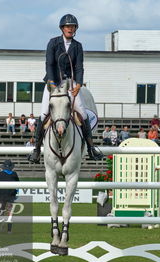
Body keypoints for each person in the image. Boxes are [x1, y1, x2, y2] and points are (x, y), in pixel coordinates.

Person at [28, 14, 103, 163]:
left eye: (73, 26)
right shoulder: (53, 43)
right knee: (44, 114)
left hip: (70, 82)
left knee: (82, 113)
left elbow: (79, 67)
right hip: (53, 83)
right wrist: (51, 82)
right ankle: (37, 149)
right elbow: (49, 64)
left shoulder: (77, 46)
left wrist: (79, 85)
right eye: (68, 26)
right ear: (62, 28)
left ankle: (90, 148)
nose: (70, 28)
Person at [0, 160, 19, 234]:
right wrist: (16, 193)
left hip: (2, 195)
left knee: (1, 210)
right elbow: (18, 184)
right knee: (10, 212)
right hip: (11, 195)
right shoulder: (14, 174)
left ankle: (2, 222)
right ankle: (9, 230)